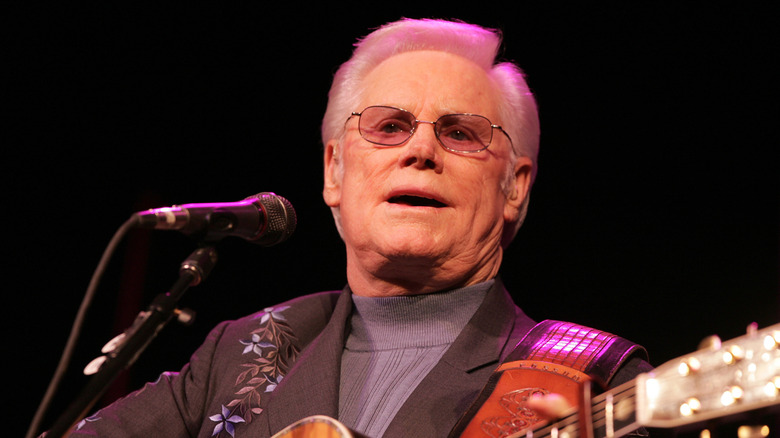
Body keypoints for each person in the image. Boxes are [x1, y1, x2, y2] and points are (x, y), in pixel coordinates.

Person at [52, 18, 652, 437]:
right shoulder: (245, 349)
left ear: (514, 188)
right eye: (389, 126)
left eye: (460, 133)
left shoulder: (591, 378)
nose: (420, 149)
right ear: (334, 170)